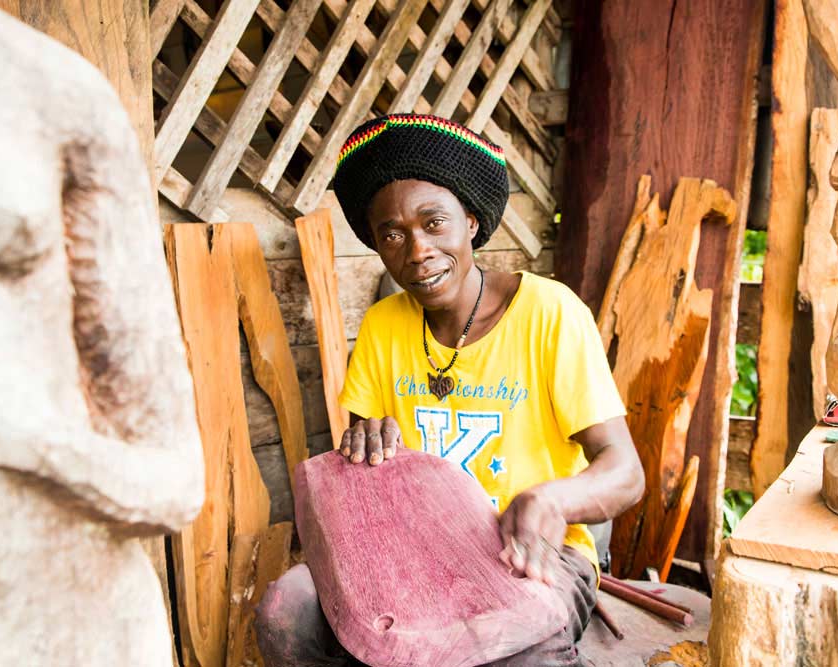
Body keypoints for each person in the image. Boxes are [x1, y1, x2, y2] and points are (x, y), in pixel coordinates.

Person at [255, 113, 645, 666]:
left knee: (508, 647)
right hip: (411, 556)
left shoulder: (550, 314)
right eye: (392, 234)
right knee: (287, 608)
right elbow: (362, 461)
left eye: (434, 222)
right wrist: (366, 450)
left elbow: (625, 472)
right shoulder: (384, 326)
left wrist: (550, 498)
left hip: (534, 557)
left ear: (470, 219)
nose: (417, 250)